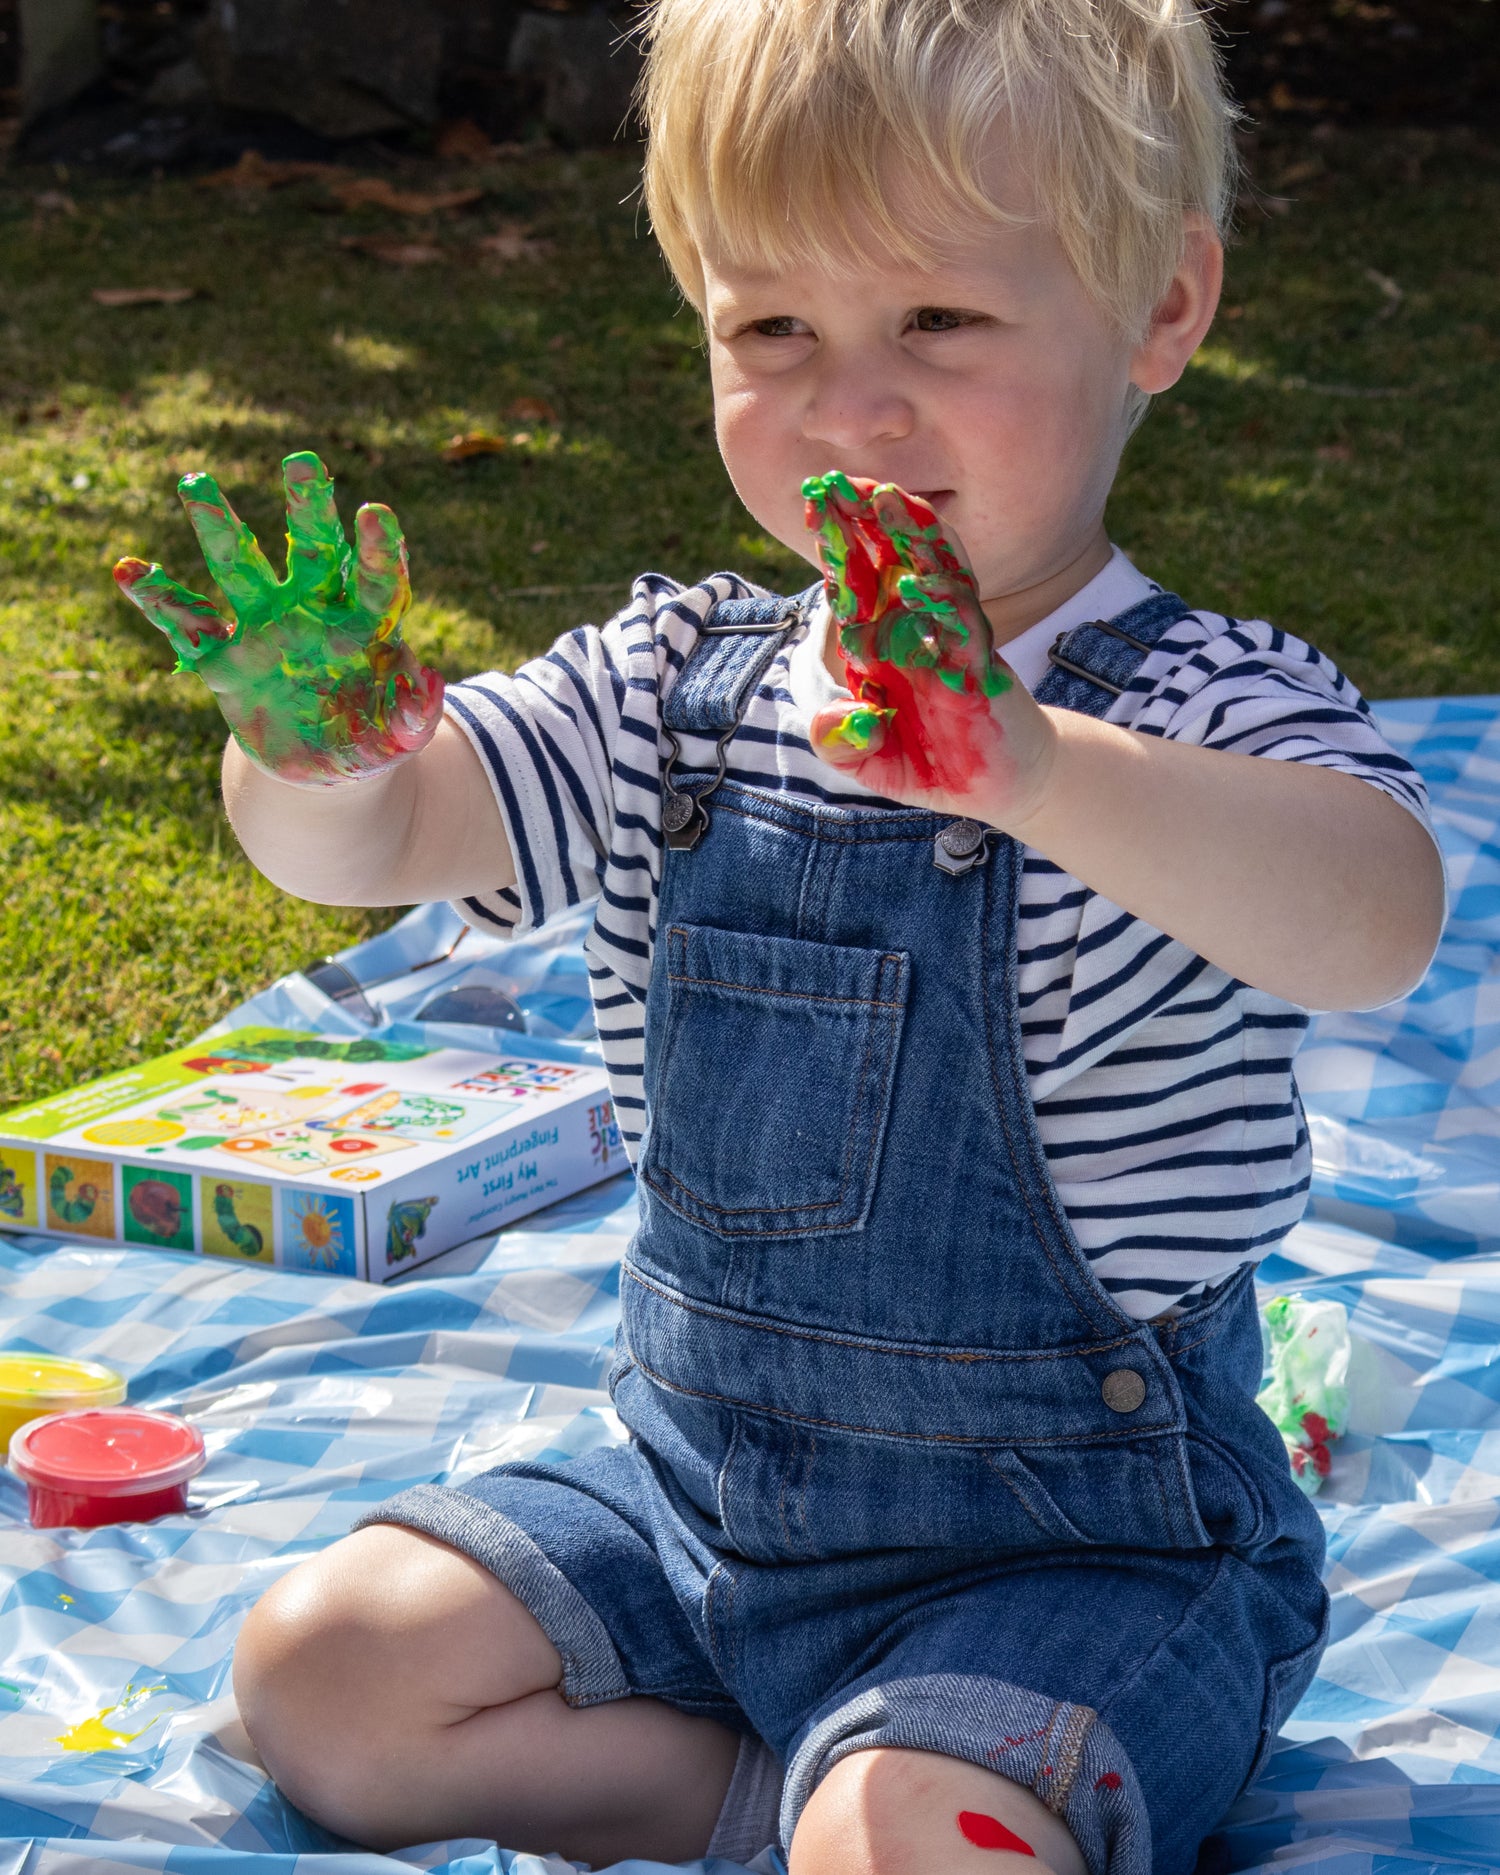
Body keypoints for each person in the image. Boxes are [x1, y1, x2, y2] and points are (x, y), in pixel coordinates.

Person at [115, 2, 1446, 1870]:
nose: (851, 405)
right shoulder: (678, 676)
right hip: (698, 1491)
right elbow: (403, 838)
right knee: (318, 1674)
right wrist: (320, 762)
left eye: (939, 322)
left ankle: (862, 1803)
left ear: (1160, 307)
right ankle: (756, 1797)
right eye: (772, 331)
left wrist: (1039, 767)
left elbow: (1373, 920)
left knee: (918, 1842)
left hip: (1082, 1549)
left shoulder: (1202, 707)